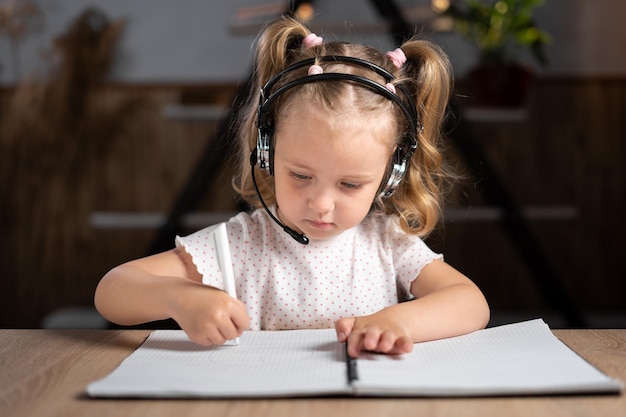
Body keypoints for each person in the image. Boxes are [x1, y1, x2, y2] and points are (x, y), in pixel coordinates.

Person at [94, 16, 490, 357]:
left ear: (393, 173)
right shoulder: (242, 244)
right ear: (267, 153)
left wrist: (397, 321)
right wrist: (179, 298)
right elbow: (113, 291)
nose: (320, 203)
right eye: (300, 176)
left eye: (350, 184)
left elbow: (471, 304)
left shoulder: (388, 243)